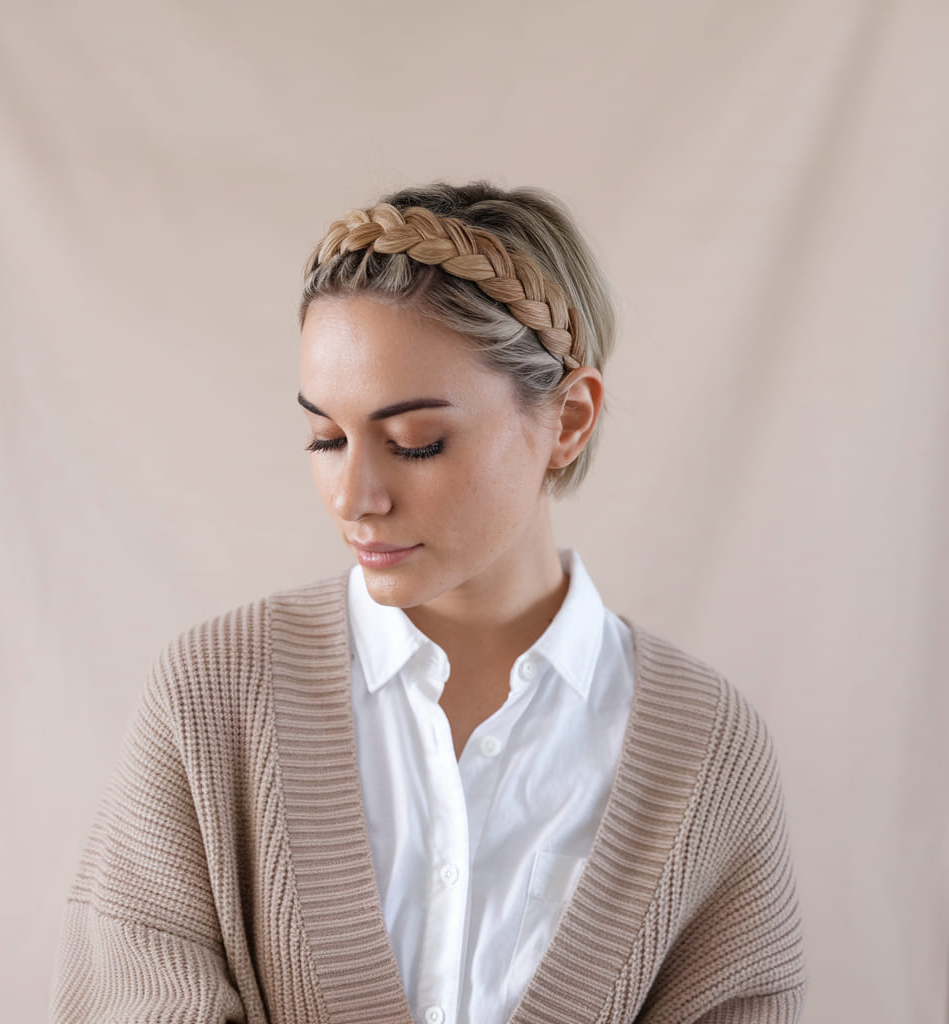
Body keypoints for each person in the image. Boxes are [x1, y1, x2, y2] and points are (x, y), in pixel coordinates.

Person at [50, 183, 806, 1024]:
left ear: (568, 419)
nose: (354, 497)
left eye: (416, 444)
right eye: (326, 438)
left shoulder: (707, 753)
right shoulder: (212, 700)